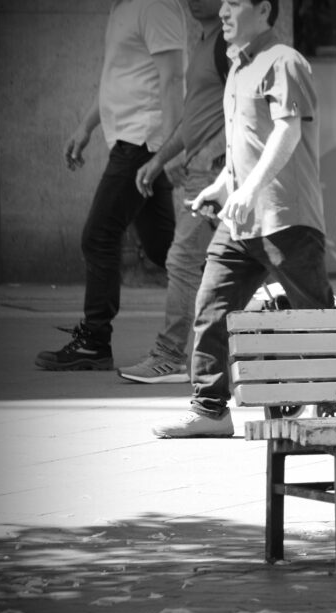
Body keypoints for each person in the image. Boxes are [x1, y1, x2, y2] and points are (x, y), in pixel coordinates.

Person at [152, 0, 335, 438]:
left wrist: (250, 189)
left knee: (317, 316)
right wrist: (223, 186)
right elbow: (244, 145)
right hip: (240, 220)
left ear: (265, 10)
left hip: (285, 216)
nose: (223, 11)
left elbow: (287, 130)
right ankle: (211, 408)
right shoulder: (237, 67)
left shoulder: (284, 61)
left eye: (235, 3)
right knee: (211, 306)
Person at [35, 0, 186, 371]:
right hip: (132, 141)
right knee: (166, 247)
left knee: (98, 235)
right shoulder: (122, 7)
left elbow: (171, 79)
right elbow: (117, 81)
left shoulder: (155, 6)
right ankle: (250, 304)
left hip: (144, 143)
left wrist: (169, 152)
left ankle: (94, 341)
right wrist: (85, 127)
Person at [117, 0, 228, 384]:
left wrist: (218, 160)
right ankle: (276, 345)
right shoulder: (204, 42)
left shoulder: (227, 46)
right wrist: (161, 158)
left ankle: (169, 355)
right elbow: (193, 118)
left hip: (214, 174)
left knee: (183, 261)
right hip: (201, 171)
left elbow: (247, 108)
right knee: (240, 264)